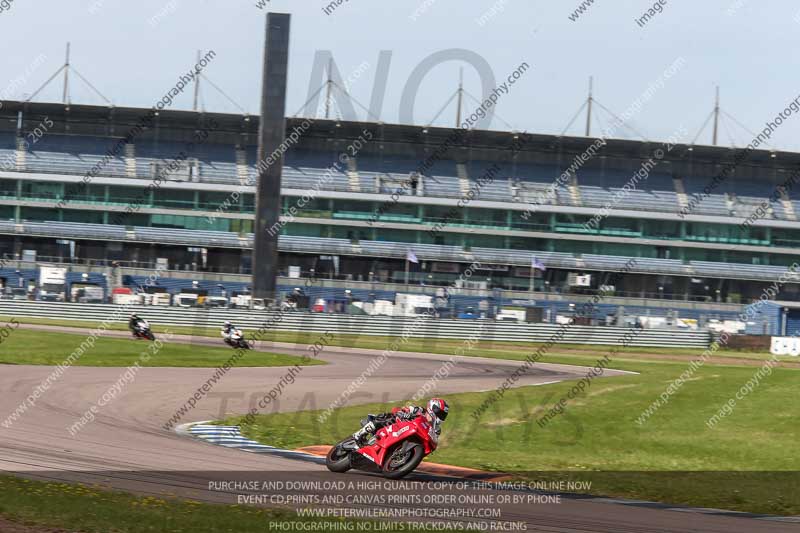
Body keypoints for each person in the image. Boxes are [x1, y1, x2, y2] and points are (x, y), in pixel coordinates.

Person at [351, 398, 449, 447]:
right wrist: (404, 413)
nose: (440, 416)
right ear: (433, 408)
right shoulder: (420, 411)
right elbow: (404, 409)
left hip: (406, 438)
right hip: (397, 425)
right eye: (439, 412)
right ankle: (359, 434)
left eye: (443, 415)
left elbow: (432, 442)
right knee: (390, 417)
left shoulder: (436, 429)